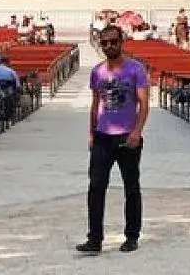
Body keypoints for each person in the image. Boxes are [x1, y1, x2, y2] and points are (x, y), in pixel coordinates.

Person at [77, 25, 150, 256]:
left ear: (121, 42)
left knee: (131, 188)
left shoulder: (136, 69)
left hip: (127, 136)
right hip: (102, 137)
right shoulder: (97, 71)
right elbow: (95, 103)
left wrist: (137, 132)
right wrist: (91, 133)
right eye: (105, 42)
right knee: (96, 187)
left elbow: (144, 103)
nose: (109, 46)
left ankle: (132, 236)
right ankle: (95, 238)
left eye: (113, 41)